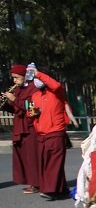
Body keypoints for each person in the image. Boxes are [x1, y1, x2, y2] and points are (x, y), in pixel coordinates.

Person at [28, 64, 70, 201]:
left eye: (37, 77)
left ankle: (50, 190)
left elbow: (56, 85)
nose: (36, 80)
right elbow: (31, 111)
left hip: (55, 132)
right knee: (47, 162)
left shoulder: (56, 92)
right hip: (41, 134)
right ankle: (61, 189)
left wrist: (39, 74)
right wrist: (33, 113)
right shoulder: (35, 95)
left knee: (53, 162)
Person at [2, 64, 39, 194]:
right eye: (13, 78)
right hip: (19, 126)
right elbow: (16, 110)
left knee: (32, 157)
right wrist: (5, 105)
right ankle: (30, 181)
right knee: (23, 157)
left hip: (30, 128)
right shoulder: (18, 90)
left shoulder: (33, 88)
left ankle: (36, 183)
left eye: (17, 78)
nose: (14, 81)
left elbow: (30, 107)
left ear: (25, 76)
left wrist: (14, 99)